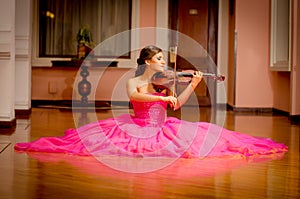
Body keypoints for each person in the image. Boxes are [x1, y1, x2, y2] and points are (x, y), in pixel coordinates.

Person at [15, 45, 288, 158]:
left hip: (164, 126)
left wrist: (192, 84)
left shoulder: (164, 81)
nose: (164, 64)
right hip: (136, 126)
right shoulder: (133, 80)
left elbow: (176, 105)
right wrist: (162, 94)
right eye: (159, 60)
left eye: (163, 60)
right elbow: (135, 96)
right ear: (147, 62)